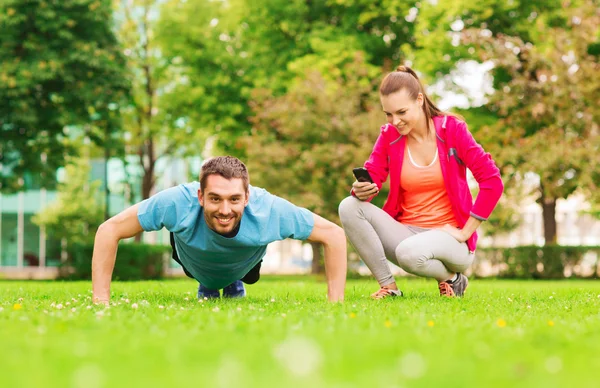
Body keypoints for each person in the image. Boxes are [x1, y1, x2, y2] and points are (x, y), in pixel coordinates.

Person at [338, 65, 503, 298]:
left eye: (401, 112)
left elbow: (492, 181)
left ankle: (453, 278)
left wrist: (466, 232)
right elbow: (374, 174)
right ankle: (390, 288)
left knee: (408, 252)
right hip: (406, 233)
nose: (394, 121)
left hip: (450, 238)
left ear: (419, 100)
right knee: (348, 206)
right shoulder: (389, 136)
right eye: (388, 114)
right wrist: (362, 189)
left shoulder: (452, 130)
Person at [92, 156, 347, 304]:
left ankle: (232, 281)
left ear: (247, 197)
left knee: (239, 252)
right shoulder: (176, 202)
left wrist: (335, 304)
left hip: (244, 261)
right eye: (215, 199)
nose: (225, 209)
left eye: (234, 199)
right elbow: (108, 230)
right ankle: (208, 283)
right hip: (193, 258)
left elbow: (333, 235)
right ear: (200, 196)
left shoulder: (269, 208)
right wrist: (100, 301)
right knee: (201, 255)